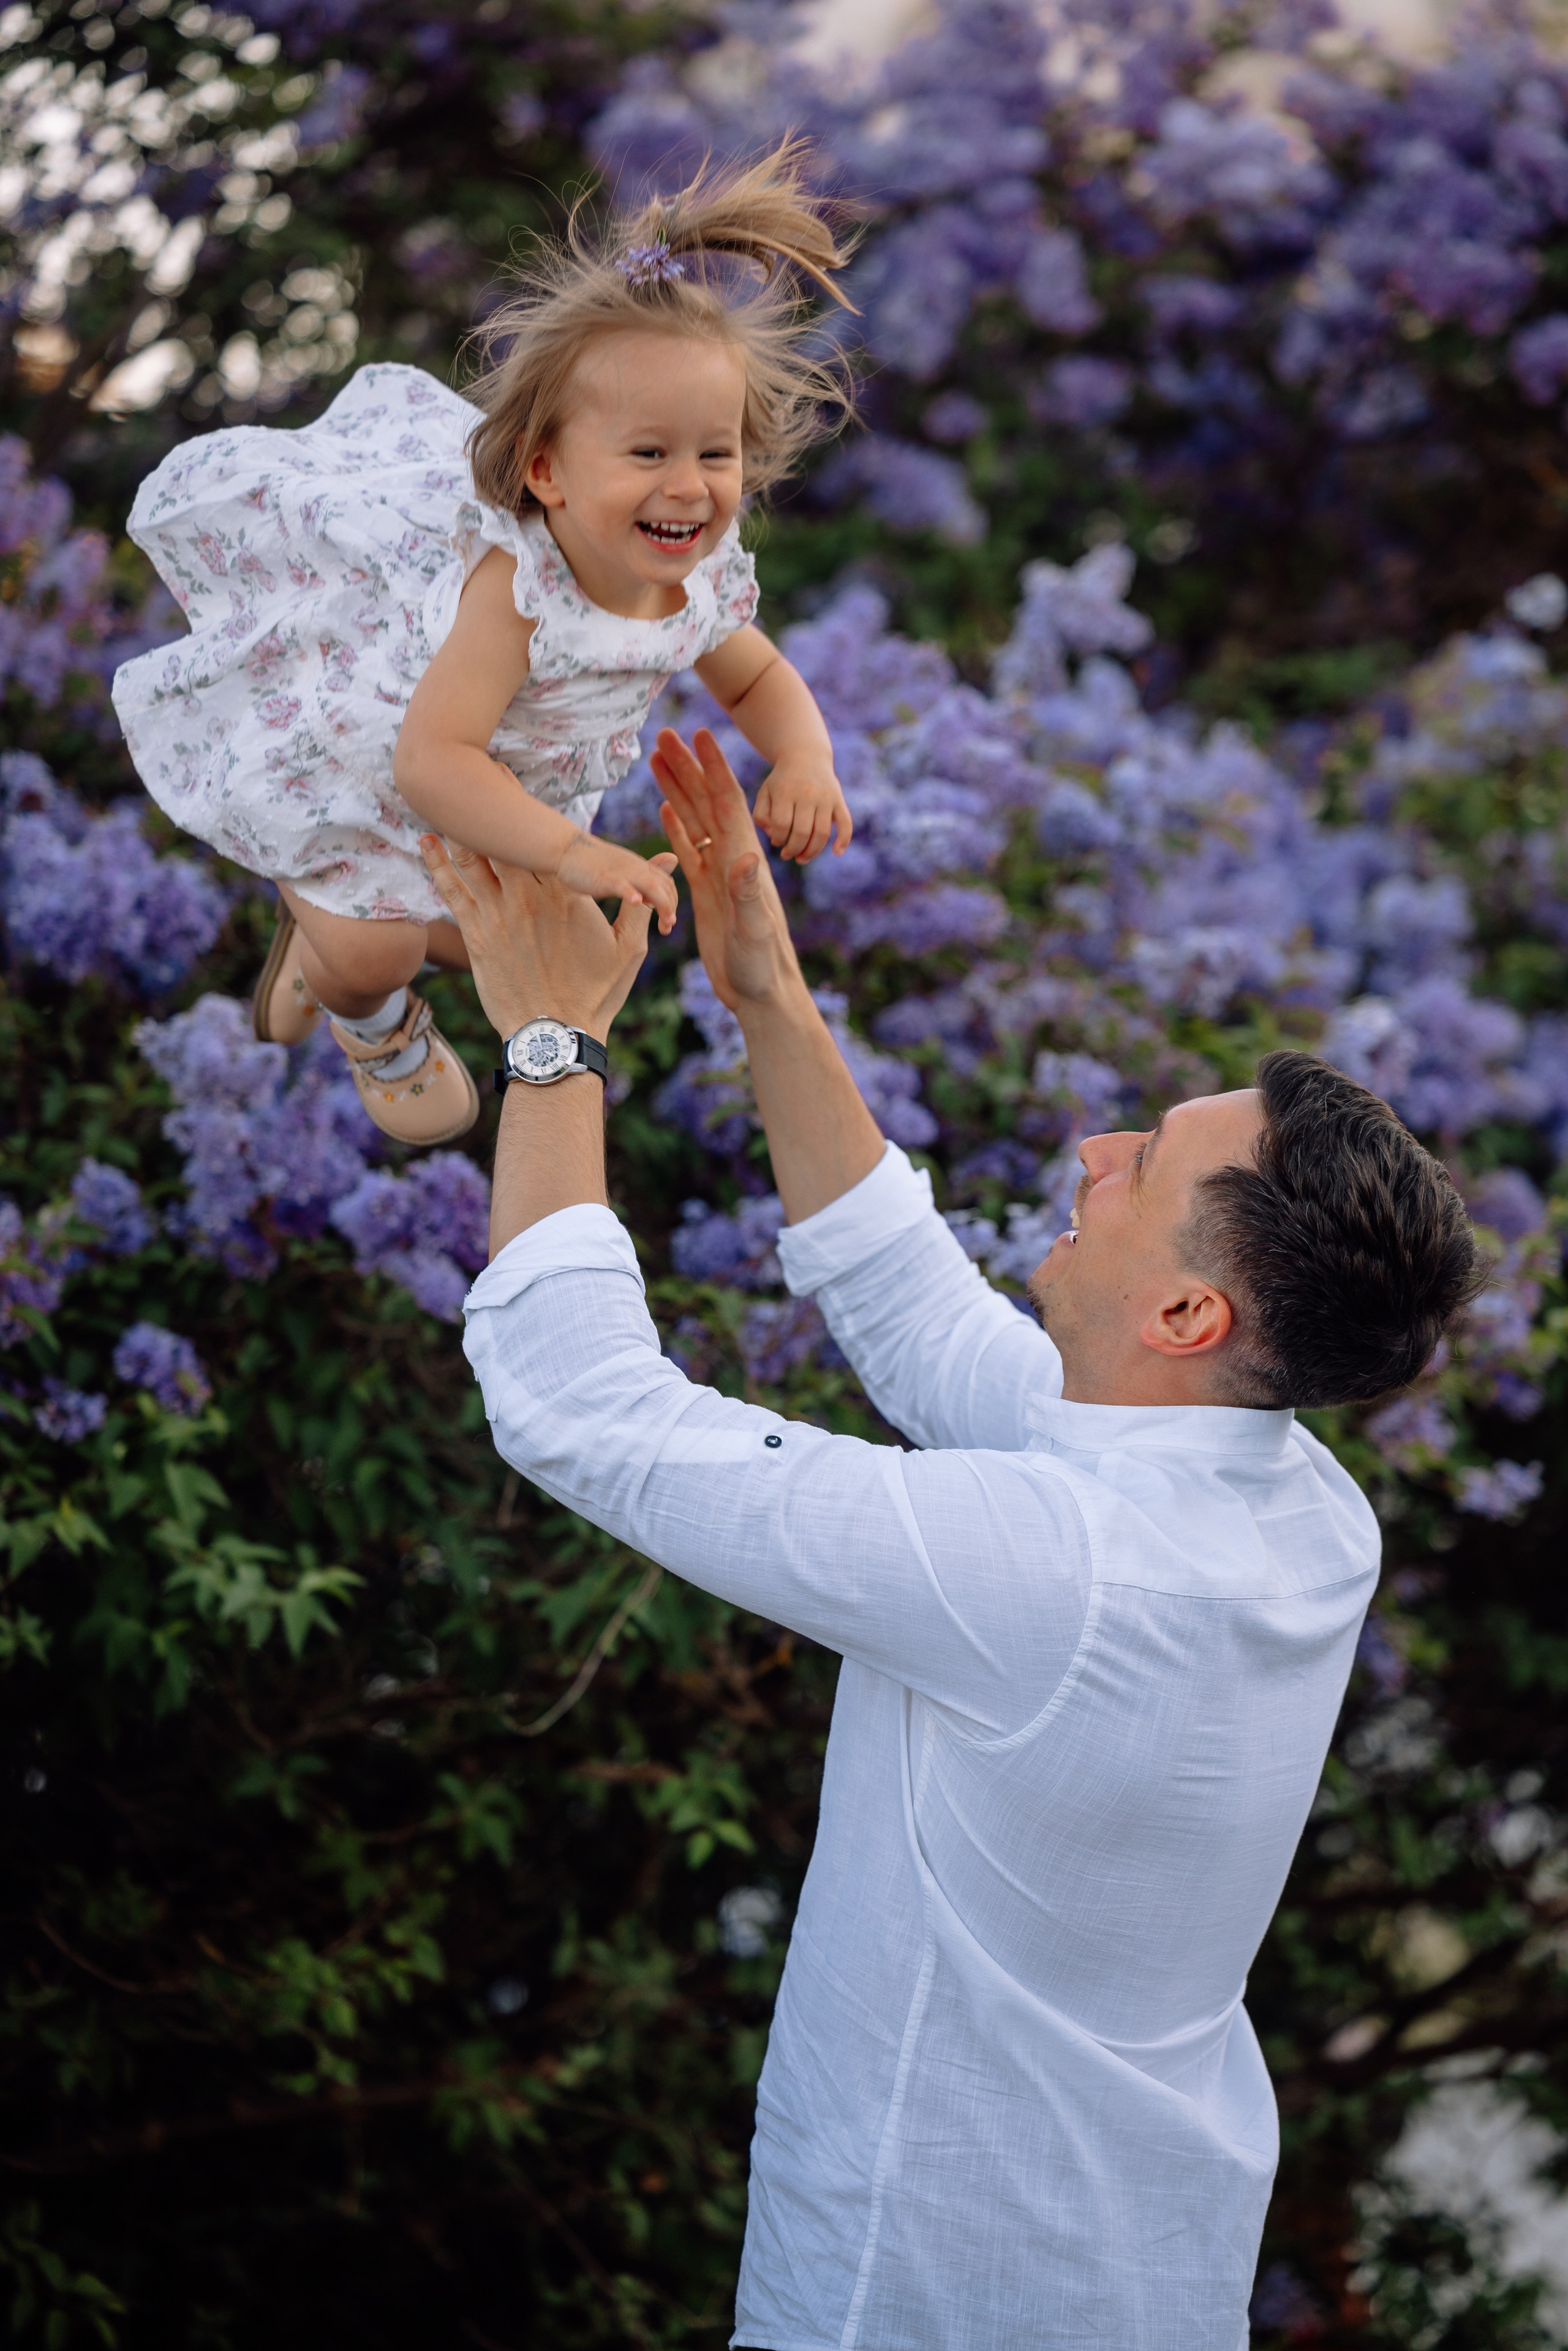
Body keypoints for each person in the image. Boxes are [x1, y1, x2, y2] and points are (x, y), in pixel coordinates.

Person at [429, 728, 1483, 2351]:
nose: (1092, 1152)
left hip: (917, 2289)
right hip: (1138, 2279)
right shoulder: (1294, 1503)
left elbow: (579, 1405)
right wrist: (766, 988)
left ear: (1192, 1308)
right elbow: (929, 1329)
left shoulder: (1057, 1565)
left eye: (1142, 1162)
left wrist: (554, 1040)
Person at [110, 144, 854, 1148]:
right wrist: (574, 850)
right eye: (648, 453)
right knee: (374, 950)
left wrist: (805, 756)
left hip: (515, 798)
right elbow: (431, 762)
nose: (689, 486)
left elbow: (756, 672)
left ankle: (335, 929)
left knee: (575, 957)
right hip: (398, 764)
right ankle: (362, 998)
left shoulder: (699, 576)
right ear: (546, 471)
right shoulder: (518, 594)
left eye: (714, 453)